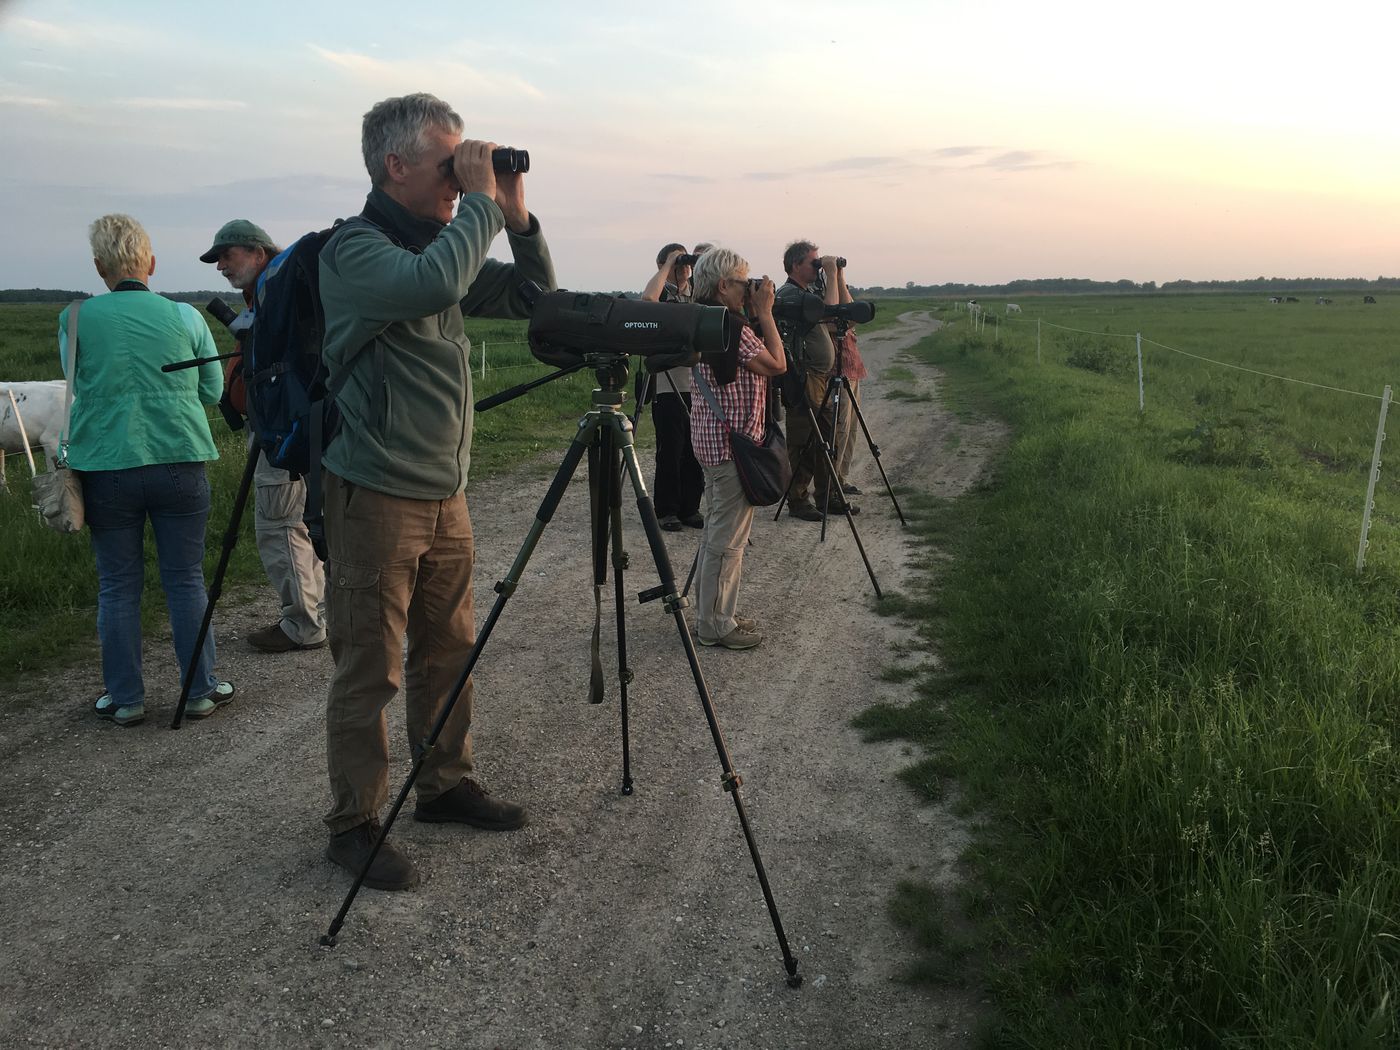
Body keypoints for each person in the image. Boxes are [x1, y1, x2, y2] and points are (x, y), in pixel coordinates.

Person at [317, 93, 556, 891]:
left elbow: (534, 299)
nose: (460, 180)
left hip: (445, 494)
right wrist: (480, 204)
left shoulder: (443, 245)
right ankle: (354, 822)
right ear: (395, 166)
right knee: (371, 667)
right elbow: (430, 285)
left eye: (466, 165)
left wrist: (516, 216)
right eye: (447, 164)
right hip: (376, 493)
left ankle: (445, 785)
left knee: (450, 648)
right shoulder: (357, 252)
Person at [59, 214, 234, 728]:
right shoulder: (185, 317)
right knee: (185, 580)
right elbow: (211, 391)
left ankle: (126, 698)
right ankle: (200, 689)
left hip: (106, 467)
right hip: (180, 459)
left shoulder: (74, 318)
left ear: (99, 267)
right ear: (150, 262)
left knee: (117, 585)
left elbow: (76, 383)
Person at [200, 220, 328, 653]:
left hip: (283, 431)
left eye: (226, 255)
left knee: (280, 525)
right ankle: (315, 610)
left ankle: (303, 624)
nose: (219, 266)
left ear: (258, 252)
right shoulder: (277, 294)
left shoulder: (278, 297)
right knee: (302, 523)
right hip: (301, 427)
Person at [688, 248, 786, 650]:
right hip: (732, 446)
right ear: (724, 285)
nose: (751, 290)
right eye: (745, 283)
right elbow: (778, 365)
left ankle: (710, 612)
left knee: (716, 532)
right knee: (728, 541)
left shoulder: (703, 321)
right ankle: (715, 625)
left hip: (711, 439)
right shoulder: (734, 327)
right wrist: (766, 312)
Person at [776, 241, 858, 520]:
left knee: (827, 437)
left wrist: (839, 276)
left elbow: (847, 314)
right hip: (803, 377)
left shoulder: (811, 291)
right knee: (804, 440)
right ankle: (798, 500)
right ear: (796, 265)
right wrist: (831, 274)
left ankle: (828, 495)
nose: (818, 267)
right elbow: (830, 311)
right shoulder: (789, 294)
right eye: (814, 263)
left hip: (822, 376)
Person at [639, 242, 704, 531]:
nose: (683, 267)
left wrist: (696, 265)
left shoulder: (697, 293)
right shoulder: (662, 294)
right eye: (677, 262)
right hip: (667, 385)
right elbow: (646, 302)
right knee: (671, 449)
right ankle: (667, 510)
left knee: (696, 450)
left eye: (685, 261)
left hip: (699, 386)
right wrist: (668, 266)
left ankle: (691, 507)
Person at [829, 262, 869, 493]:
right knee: (840, 429)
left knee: (851, 429)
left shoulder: (834, 285)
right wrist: (832, 275)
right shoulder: (820, 296)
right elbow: (840, 320)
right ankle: (832, 482)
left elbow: (853, 313)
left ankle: (841, 478)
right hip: (836, 369)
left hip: (852, 367)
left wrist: (839, 275)